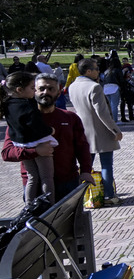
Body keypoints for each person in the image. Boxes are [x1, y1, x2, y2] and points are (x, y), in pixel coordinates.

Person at [2, 73, 92, 202]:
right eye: (41, 89)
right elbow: (7, 153)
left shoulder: (70, 118)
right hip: (35, 186)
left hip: (68, 182)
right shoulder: (21, 120)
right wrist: (36, 151)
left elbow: (82, 147)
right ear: (34, 90)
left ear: (59, 92)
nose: (46, 92)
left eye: (51, 89)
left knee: (72, 221)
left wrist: (86, 171)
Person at [67, 58, 123, 205]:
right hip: (101, 131)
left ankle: (82, 195)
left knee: (86, 165)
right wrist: (115, 130)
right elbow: (102, 113)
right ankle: (109, 196)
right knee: (106, 165)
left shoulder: (72, 86)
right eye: (97, 69)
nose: (99, 71)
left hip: (83, 130)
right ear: (88, 71)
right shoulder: (94, 87)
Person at [2, 71, 57, 205]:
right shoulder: (26, 107)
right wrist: (50, 130)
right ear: (20, 90)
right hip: (38, 141)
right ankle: (50, 205)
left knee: (32, 177)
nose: (35, 91)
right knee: (47, 178)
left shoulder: (8, 104)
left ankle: (29, 205)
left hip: (21, 143)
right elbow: (36, 125)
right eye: (33, 88)